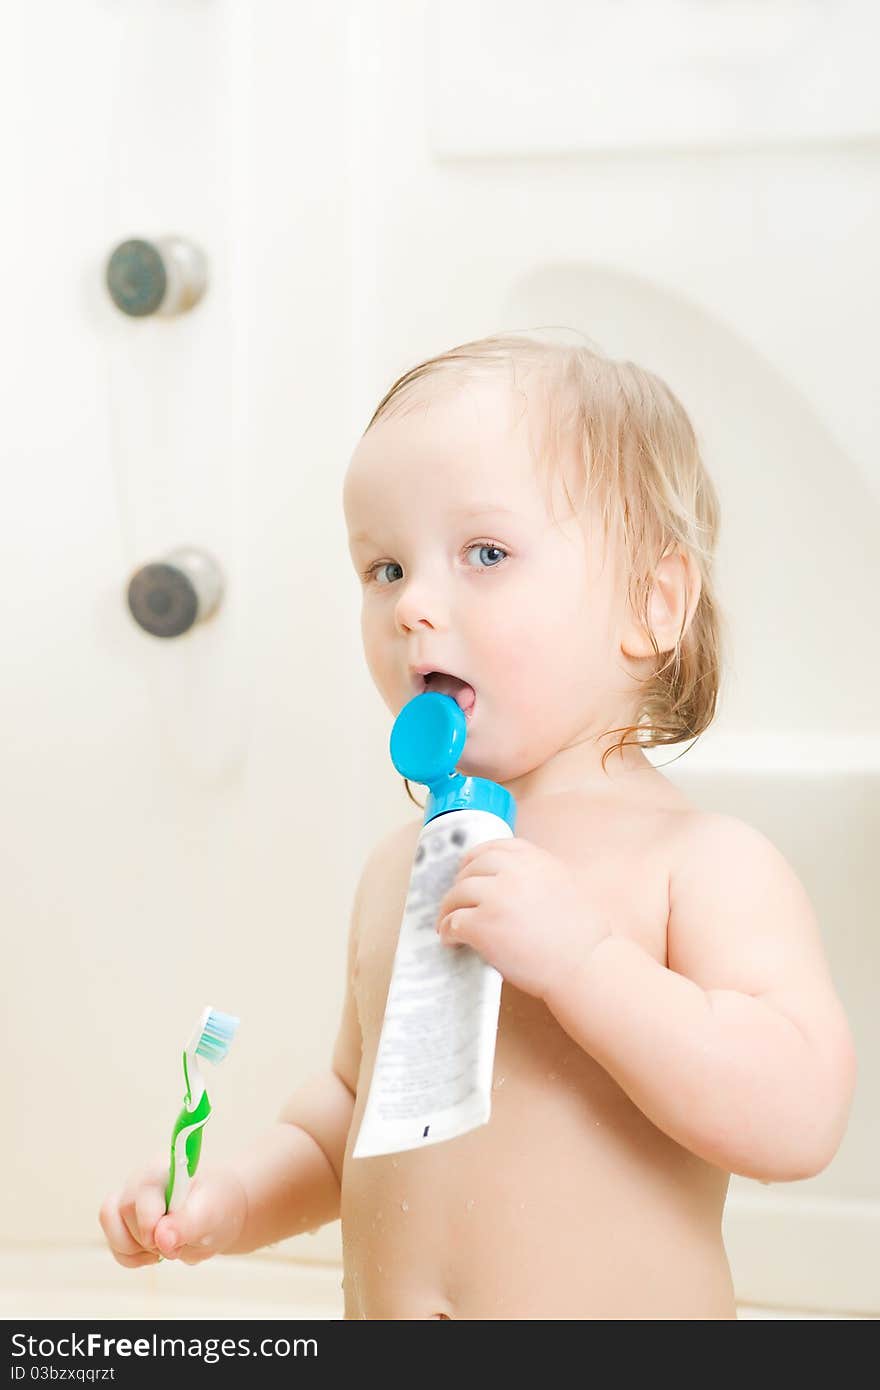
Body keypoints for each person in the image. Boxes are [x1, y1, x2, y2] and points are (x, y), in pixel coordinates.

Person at [99, 332, 856, 1319]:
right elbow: (345, 1117)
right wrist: (229, 1204)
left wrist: (586, 962)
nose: (413, 604)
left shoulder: (701, 865)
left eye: (485, 553)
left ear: (651, 603)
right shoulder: (400, 870)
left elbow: (796, 1117)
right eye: (382, 567)